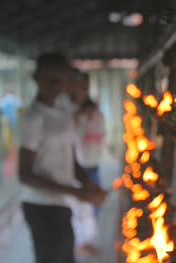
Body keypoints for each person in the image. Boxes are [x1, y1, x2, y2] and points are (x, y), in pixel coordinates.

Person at [19, 52, 107, 263]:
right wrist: (75, 192)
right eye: (50, 78)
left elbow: (71, 158)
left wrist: (87, 182)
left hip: (61, 203)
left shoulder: (61, 113)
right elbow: (25, 175)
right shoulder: (33, 118)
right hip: (41, 205)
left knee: (66, 257)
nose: (56, 84)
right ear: (36, 78)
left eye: (60, 78)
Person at [70, 72, 105, 257]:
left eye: (85, 86)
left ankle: (87, 240)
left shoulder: (93, 110)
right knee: (81, 207)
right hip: (77, 166)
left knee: (93, 204)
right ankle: (83, 241)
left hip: (92, 164)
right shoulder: (69, 112)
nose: (82, 91)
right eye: (79, 86)